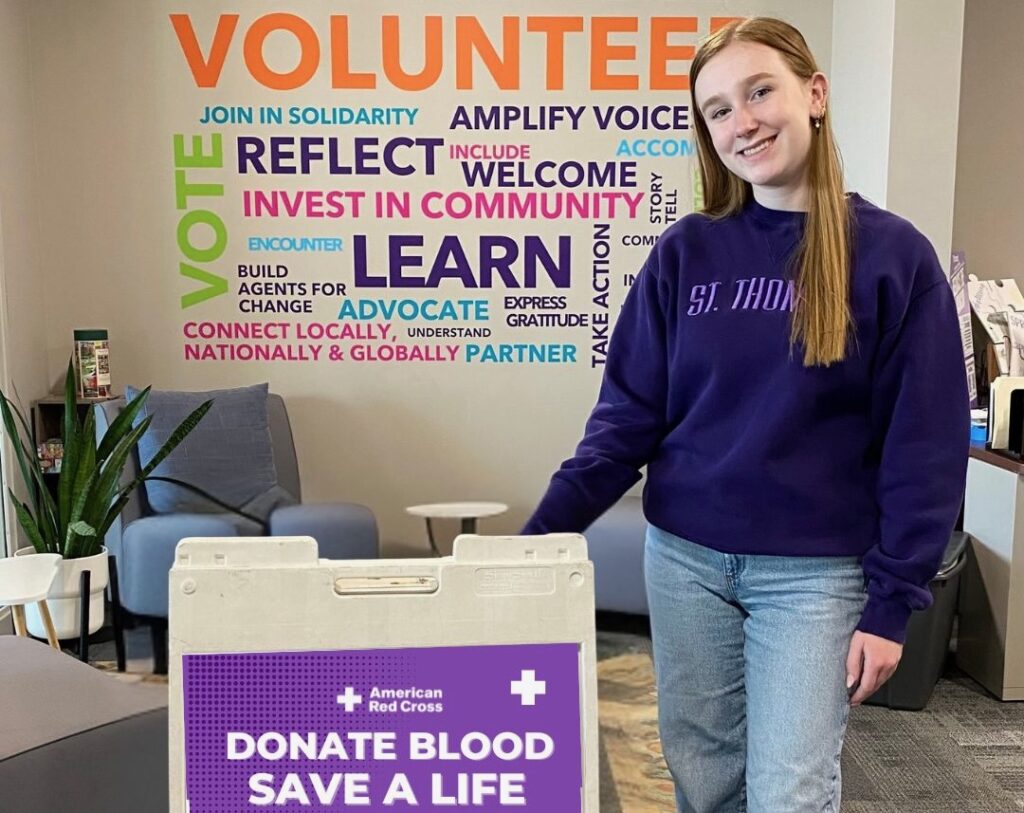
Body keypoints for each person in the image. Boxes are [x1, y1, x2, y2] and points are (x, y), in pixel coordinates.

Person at [522, 16, 969, 813]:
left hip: (816, 577)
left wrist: (894, 602)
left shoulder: (896, 259)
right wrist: (533, 542)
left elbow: (924, 450)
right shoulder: (686, 253)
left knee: (790, 791)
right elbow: (624, 422)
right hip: (685, 560)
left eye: (759, 91)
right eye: (718, 110)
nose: (742, 121)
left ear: (815, 94)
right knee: (704, 776)